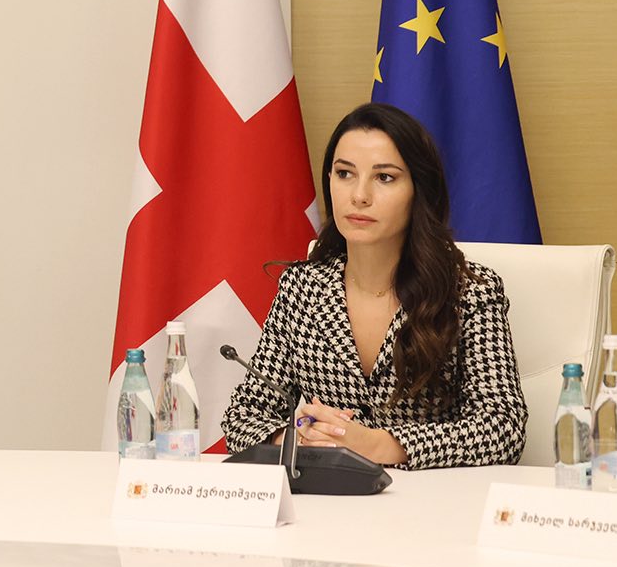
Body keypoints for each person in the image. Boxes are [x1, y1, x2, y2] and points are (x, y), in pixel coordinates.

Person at [221, 102, 525, 468]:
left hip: (436, 496)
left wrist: (381, 445)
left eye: (384, 178)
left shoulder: (469, 292)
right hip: (331, 495)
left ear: (419, 190)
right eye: (344, 174)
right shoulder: (302, 289)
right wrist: (298, 438)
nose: (359, 195)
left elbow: (504, 427)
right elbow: (242, 416)